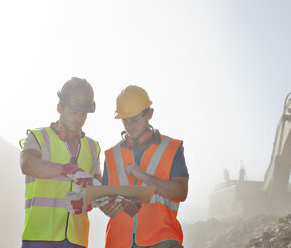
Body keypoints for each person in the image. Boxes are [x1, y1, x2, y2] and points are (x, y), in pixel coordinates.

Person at [101, 85, 189, 248]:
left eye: (134, 118)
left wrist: (144, 177)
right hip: (119, 242)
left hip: (162, 240)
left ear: (149, 113)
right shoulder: (111, 155)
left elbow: (181, 192)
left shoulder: (171, 148)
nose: (129, 125)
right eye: (125, 120)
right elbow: (105, 200)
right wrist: (106, 207)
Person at [19, 77, 101, 248]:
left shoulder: (93, 148)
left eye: (83, 114)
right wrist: (67, 169)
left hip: (77, 240)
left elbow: (97, 189)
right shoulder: (38, 137)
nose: (79, 119)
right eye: (73, 112)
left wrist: (87, 201)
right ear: (59, 107)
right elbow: (27, 164)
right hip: (38, 238)